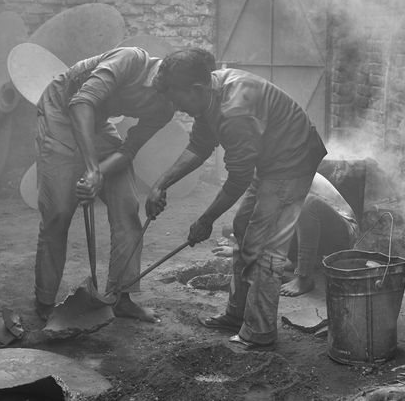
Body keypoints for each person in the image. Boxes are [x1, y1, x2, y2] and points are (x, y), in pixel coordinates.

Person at [145, 48, 327, 349]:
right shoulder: (208, 97)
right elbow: (200, 145)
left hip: (292, 162)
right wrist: (159, 184)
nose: (176, 107)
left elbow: (239, 178)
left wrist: (206, 219)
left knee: (265, 246)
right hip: (270, 160)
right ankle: (237, 314)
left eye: (177, 100)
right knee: (244, 229)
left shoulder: (234, 111)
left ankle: (260, 331)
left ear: (197, 89)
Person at [34, 44, 174, 323]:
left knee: (127, 205)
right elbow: (80, 104)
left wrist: (97, 173)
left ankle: (121, 297)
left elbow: (128, 150)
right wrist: (91, 169)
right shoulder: (131, 59)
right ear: (161, 79)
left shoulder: (168, 106)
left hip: (97, 121)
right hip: (61, 111)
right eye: (175, 96)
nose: (177, 106)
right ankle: (45, 301)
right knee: (58, 212)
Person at [213, 172, 358, 297]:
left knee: (307, 203)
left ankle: (304, 278)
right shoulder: (266, 176)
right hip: (314, 231)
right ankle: (297, 260)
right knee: (232, 228)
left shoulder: (292, 171)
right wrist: (241, 249)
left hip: (343, 232)